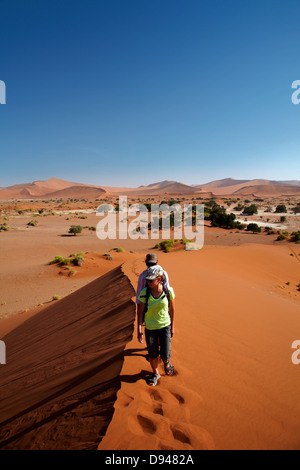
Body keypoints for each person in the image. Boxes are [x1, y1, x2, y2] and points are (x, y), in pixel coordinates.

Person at [137, 265, 175, 387]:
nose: (148, 282)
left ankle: (167, 363)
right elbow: (140, 311)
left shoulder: (168, 291)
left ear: (159, 279)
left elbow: (172, 309)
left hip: (165, 325)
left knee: (165, 353)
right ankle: (155, 373)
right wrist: (139, 329)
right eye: (147, 280)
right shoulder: (144, 292)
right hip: (150, 327)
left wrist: (172, 327)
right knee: (152, 354)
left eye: (151, 280)